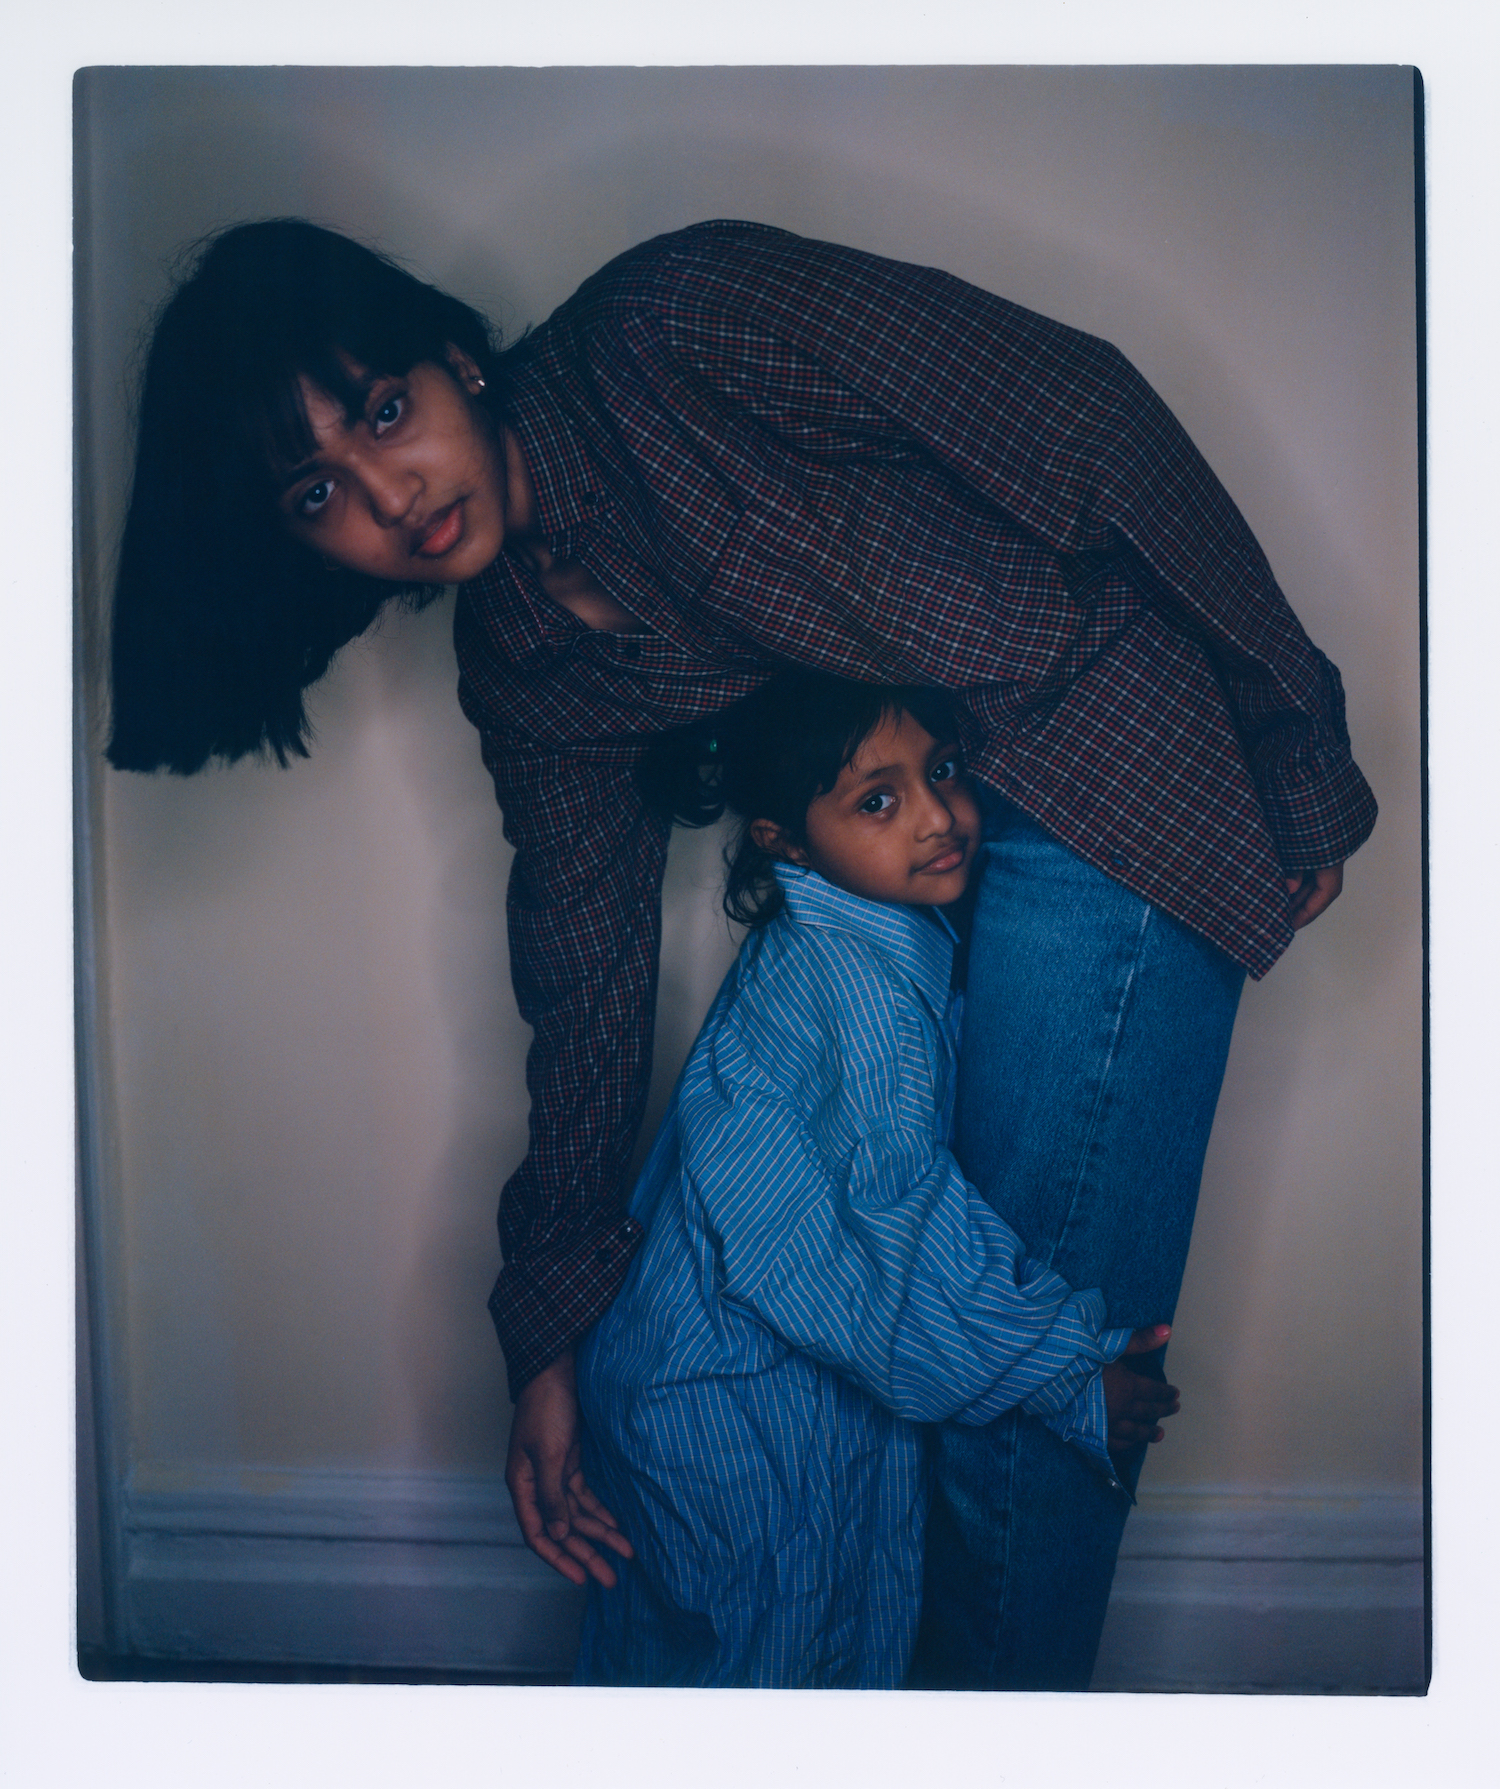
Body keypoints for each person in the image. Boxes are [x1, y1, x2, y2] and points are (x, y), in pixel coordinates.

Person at [107, 215, 1375, 1689]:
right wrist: (552, 1327)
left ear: (458, 360)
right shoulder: (523, 658)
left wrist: (1296, 731)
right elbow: (582, 983)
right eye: (319, 486)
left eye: (386, 410)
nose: (390, 494)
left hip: (1104, 766)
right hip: (913, 858)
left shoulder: (680, 321)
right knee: (943, 1375)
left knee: (1031, 1387)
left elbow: (1079, 417)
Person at [572, 671, 1180, 1687]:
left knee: (775, 1644)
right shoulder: (846, 986)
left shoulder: (848, 950)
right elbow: (894, 1226)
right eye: (878, 800)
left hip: (721, 1377)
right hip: (728, 1400)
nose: (941, 817)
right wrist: (1062, 1368)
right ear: (786, 839)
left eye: (941, 772)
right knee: (775, 1660)